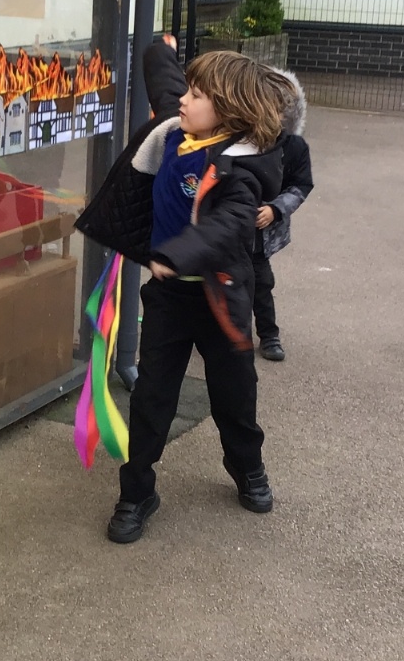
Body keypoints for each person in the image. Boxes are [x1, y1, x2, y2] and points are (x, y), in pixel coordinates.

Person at [76, 39, 289, 544]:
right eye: (187, 90)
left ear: (228, 111)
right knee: (152, 398)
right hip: (169, 300)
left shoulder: (240, 168)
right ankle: (137, 493)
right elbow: (166, 82)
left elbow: (230, 224)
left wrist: (177, 254)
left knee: (234, 396)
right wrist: (158, 49)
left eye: (196, 95)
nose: (183, 100)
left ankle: (247, 467)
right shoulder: (175, 132)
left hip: (221, 299)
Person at [253, 70, 313, 362]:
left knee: (261, 283)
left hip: (262, 231)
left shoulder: (294, 147)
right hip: (230, 226)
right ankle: (219, 330)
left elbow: (301, 186)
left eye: (274, 111)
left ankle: (269, 335)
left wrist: (275, 209)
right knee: (222, 280)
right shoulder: (239, 141)